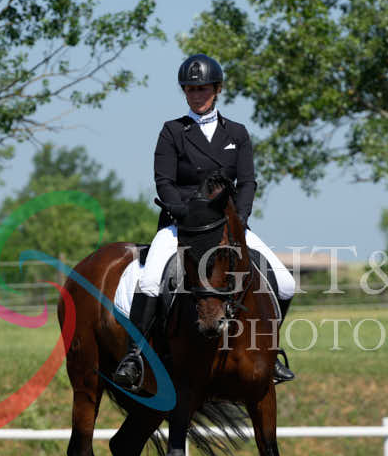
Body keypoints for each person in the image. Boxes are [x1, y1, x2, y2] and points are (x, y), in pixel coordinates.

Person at [113, 54, 297, 389]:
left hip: (227, 226)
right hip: (183, 224)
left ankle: (270, 352)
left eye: (203, 89)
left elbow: (247, 181)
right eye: (190, 89)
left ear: (217, 89)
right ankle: (134, 355)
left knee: (285, 283)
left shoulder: (237, 133)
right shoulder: (172, 131)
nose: (197, 95)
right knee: (151, 279)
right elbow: (164, 181)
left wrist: (239, 220)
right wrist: (184, 213)